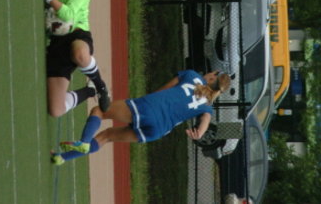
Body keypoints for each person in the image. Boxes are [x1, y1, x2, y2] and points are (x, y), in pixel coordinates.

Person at [50, 70, 231, 165]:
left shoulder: (192, 75)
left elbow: (164, 89)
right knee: (107, 136)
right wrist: (198, 134)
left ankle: (83, 142)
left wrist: (145, 103)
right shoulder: (207, 106)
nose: (209, 73)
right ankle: (61, 158)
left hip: (149, 108)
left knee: (99, 111)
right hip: (158, 130)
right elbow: (204, 123)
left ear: (212, 78)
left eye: (212, 73)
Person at [43, 0, 110, 116]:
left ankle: (100, 85)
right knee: (56, 110)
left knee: (80, 54)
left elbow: (69, 16)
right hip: (57, 43)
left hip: (77, 35)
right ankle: (90, 90)